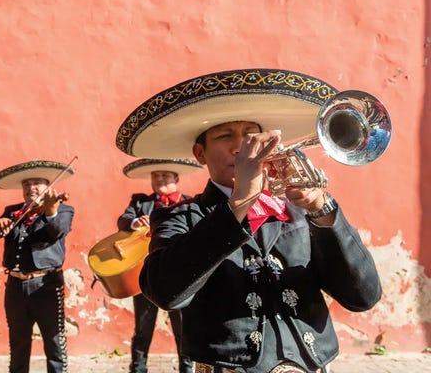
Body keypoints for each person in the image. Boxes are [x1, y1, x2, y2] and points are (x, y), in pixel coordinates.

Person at [115, 69, 384, 373]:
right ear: (199, 154)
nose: (241, 146)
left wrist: (323, 211)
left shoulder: (298, 210)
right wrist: (239, 203)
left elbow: (363, 296)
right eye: (224, 136)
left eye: (250, 135)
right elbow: (166, 293)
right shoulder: (180, 215)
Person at [0, 160, 75, 373]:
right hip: (15, 285)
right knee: (18, 343)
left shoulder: (63, 210)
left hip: (47, 285)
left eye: (37, 183)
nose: (31, 188)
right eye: (26, 184)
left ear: (48, 187)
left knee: (54, 342)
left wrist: (51, 210)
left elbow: (57, 231)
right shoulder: (12, 211)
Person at [117, 158, 202, 373]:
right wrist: (136, 222)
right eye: (155, 175)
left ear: (176, 178)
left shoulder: (190, 203)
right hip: (146, 274)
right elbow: (123, 220)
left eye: (165, 175)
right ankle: (138, 369)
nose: (159, 179)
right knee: (143, 329)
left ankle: (187, 369)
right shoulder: (140, 202)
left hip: (181, 276)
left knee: (183, 330)